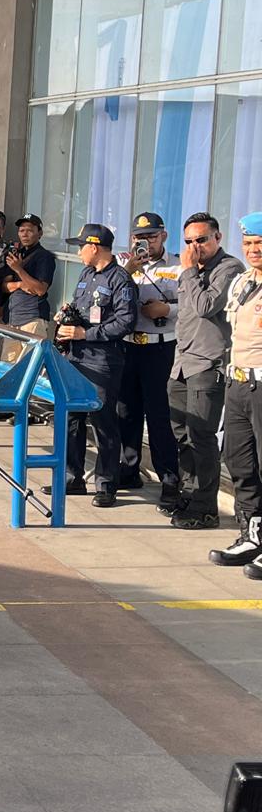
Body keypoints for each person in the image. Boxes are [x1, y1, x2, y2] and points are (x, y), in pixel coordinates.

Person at [168, 212, 246, 527]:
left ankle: (205, 507)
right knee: (181, 434)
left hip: (207, 363)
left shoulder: (229, 268)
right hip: (182, 363)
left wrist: (188, 271)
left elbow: (205, 307)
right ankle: (189, 494)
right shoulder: (192, 271)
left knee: (201, 435)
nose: (194, 247)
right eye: (189, 241)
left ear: (217, 237)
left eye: (201, 239)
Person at [56, 223, 139, 507]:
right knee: (72, 418)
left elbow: (126, 322)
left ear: (94, 247)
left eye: (81, 247)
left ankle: (106, 484)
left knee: (103, 421)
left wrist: (86, 333)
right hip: (76, 356)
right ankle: (72, 478)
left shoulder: (120, 279)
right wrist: (67, 316)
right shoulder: (86, 273)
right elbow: (81, 309)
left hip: (103, 359)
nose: (78, 252)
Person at [116, 212, 180, 505]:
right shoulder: (123, 265)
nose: (145, 243)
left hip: (160, 348)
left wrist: (167, 310)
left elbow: (191, 304)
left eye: (151, 237)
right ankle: (129, 469)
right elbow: (108, 296)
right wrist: (128, 271)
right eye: (139, 238)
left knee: (159, 416)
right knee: (126, 412)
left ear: (163, 236)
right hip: (128, 346)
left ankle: (169, 478)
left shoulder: (178, 266)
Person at [213, 212, 262, 576]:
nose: (253, 249)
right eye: (247, 243)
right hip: (238, 383)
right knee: (240, 463)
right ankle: (252, 535)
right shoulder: (243, 282)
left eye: (259, 243)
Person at [0, 214, 56, 360]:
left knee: (28, 366)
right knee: (7, 366)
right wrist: (20, 284)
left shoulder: (44, 256)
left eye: (30, 230)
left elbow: (40, 289)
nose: (25, 234)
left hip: (32, 318)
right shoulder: (16, 254)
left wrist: (19, 270)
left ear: (40, 233)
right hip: (12, 318)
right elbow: (4, 286)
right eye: (21, 230)